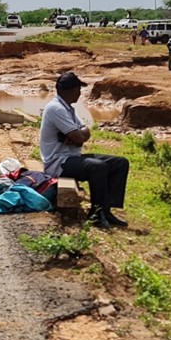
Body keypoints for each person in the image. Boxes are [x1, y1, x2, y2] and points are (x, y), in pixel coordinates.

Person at [41, 71, 131, 229]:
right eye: (79, 89)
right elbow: (79, 138)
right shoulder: (56, 109)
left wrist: (77, 135)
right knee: (97, 167)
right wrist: (77, 136)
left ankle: (106, 210)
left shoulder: (67, 108)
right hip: (58, 162)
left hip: (71, 157)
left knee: (120, 163)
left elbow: (85, 131)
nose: (80, 92)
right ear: (73, 90)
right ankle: (96, 214)